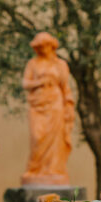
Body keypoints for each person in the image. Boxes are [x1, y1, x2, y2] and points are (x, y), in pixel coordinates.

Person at [21, 32, 74, 185]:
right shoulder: (33, 64)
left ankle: (54, 170)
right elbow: (25, 83)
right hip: (37, 104)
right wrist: (40, 82)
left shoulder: (60, 65)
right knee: (37, 137)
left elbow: (65, 87)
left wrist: (69, 106)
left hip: (55, 104)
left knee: (56, 139)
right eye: (39, 46)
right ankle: (35, 169)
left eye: (44, 46)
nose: (42, 49)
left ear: (51, 46)